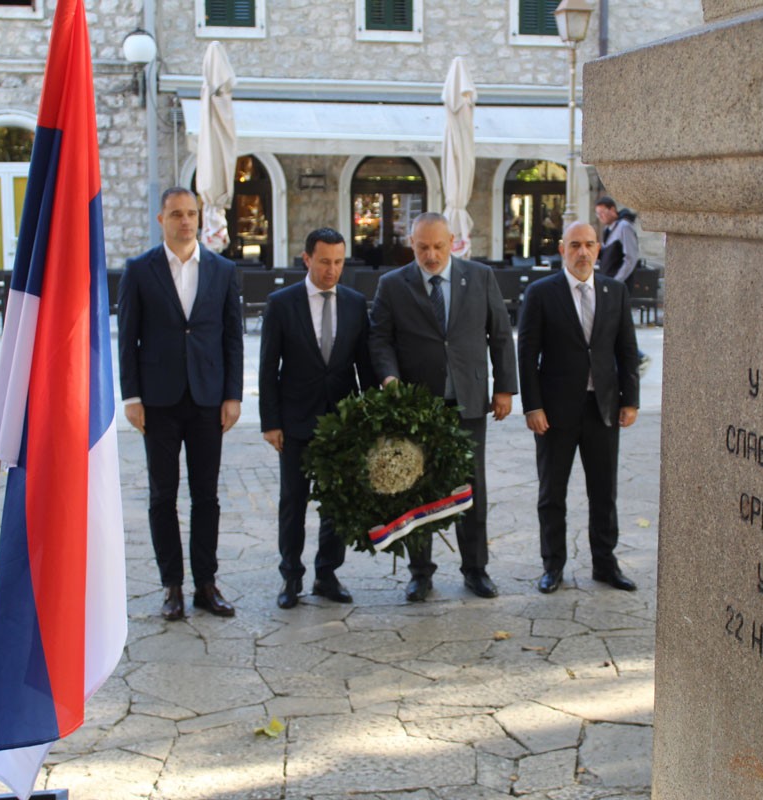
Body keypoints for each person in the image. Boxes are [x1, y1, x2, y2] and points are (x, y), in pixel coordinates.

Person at [369, 212, 518, 602]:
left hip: (468, 401)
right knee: (417, 488)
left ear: (453, 241)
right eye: (422, 247)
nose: (431, 255)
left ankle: (476, 569)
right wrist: (389, 377)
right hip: (417, 407)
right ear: (411, 245)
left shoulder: (480, 277)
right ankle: (420, 573)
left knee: (472, 489)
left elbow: (501, 335)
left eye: (438, 246)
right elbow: (380, 339)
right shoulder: (392, 284)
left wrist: (504, 388)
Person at [117, 187, 244, 620]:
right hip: (158, 401)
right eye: (176, 214)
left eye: (191, 213)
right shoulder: (139, 270)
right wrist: (131, 396)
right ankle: (171, 584)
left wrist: (233, 395)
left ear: (200, 217)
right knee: (162, 496)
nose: (185, 221)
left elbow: (232, 337)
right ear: (161, 219)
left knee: (206, 496)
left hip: (208, 399)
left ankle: (206, 584)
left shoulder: (222, 270)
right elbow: (128, 337)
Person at [517, 220, 641, 594]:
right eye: (575, 245)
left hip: (602, 408)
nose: (582, 252)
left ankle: (605, 563)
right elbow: (527, 354)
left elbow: (627, 350)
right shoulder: (541, 293)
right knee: (552, 494)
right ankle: (552, 566)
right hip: (554, 413)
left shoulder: (614, 291)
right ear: (562, 249)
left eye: (589, 244)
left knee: (604, 493)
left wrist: (631, 399)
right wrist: (532, 406)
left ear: (599, 249)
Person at [260, 227, 377, 609]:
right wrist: (270, 422)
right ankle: (290, 577)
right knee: (293, 501)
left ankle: (327, 574)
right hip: (295, 421)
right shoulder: (281, 303)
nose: (332, 270)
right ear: (307, 258)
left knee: (336, 502)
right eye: (325, 261)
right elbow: (267, 368)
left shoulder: (357, 304)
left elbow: (365, 366)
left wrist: (372, 417)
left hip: (341, 422)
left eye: (339, 262)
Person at [594, 196, 639, 283]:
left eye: (602, 212)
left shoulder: (624, 226)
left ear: (612, 210)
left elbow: (630, 258)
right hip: (607, 282)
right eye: (598, 214)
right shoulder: (607, 229)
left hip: (619, 284)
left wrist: (617, 281)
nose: (600, 216)